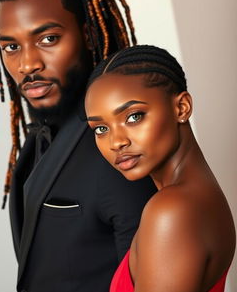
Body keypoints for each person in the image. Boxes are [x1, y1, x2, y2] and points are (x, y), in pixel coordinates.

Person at [0, 0, 156, 292]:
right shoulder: (39, 139)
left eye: (48, 39)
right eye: (11, 46)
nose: (27, 64)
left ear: (89, 33)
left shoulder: (121, 147)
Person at [85, 45, 236, 292]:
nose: (116, 142)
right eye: (101, 128)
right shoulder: (199, 197)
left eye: (133, 116)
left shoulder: (173, 209)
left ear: (181, 107)